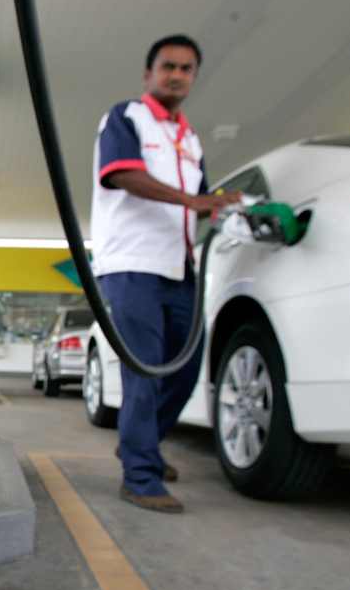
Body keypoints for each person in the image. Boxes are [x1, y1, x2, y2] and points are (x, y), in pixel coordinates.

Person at [90, 34, 241, 513]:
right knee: (146, 370)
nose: (177, 75)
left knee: (187, 365)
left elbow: (198, 200)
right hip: (133, 265)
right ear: (148, 74)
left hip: (180, 268)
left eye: (187, 68)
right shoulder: (126, 117)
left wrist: (218, 206)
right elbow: (121, 174)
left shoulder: (189, 139)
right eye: (168, 66)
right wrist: (194, 200)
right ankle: (139, 476)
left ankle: (141, 442)